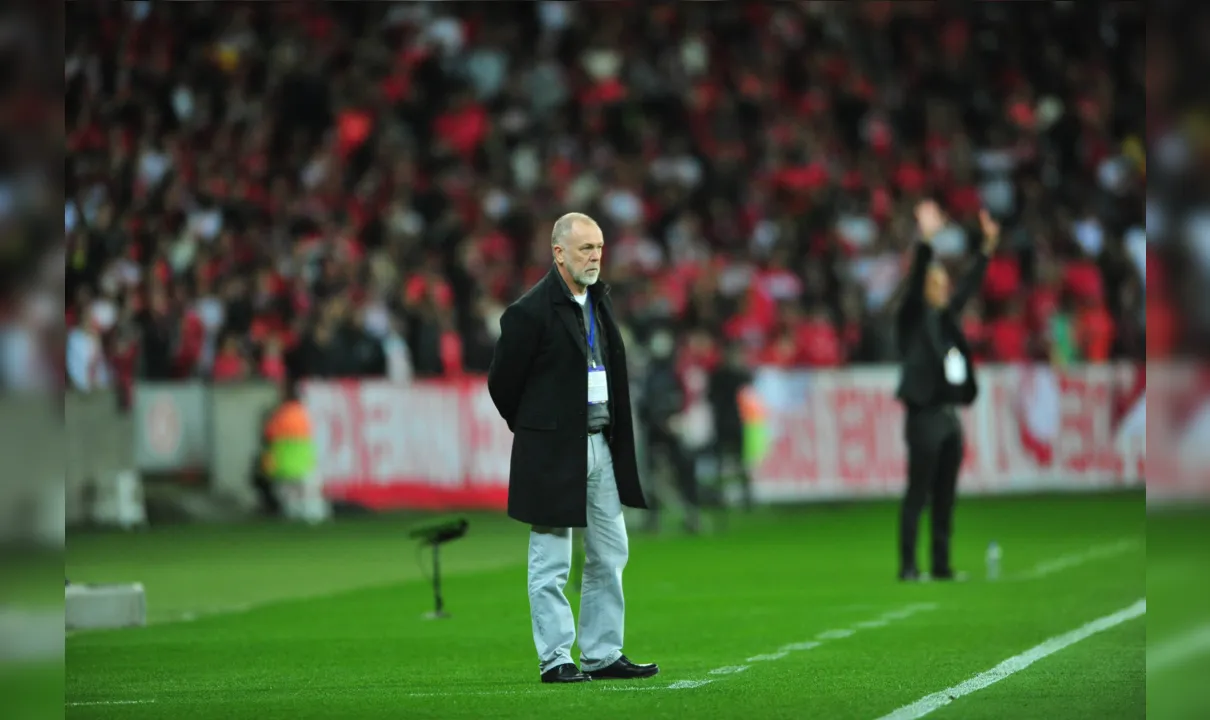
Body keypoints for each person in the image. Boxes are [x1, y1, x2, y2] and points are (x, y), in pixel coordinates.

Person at [487, 212, 660, 684]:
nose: (596, 256)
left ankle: (603, 653)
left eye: (600, 247)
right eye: (586, 248)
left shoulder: (598, 302)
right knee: (552, 557)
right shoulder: (529, 311)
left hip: (600, 445)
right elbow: (502, 384)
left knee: (610, 551)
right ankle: (556, 657)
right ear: (558, 253)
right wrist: (538, 430)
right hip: (554, 451)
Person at [895, 201, 999, 582]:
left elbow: (969, 287)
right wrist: (925, 239)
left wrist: (987, 249)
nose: (943, 288)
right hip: (923, 415)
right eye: (936, 283)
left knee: (945, 496)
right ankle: (908, 566)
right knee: (917, 494)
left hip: (949, 416)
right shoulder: (911, 319)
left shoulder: (946, 320)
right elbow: (918, 272)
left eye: (944, 283)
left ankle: (940, 565)